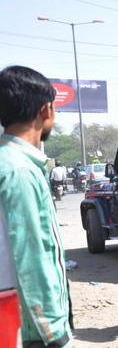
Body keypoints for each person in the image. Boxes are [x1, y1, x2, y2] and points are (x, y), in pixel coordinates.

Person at [0, 65, 73, 347]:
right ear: (47, 110)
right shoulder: (20, 170)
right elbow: (32, 256)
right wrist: (52, 331)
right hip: (31, 329)